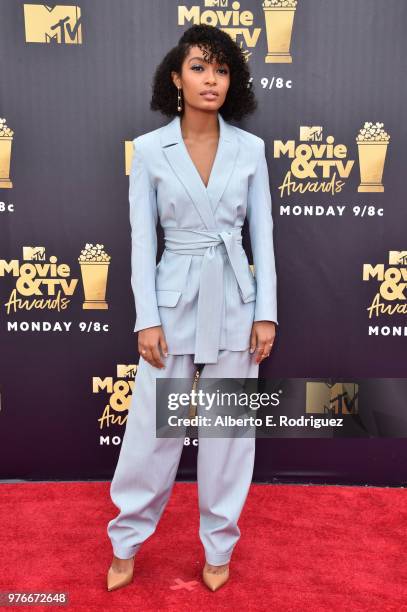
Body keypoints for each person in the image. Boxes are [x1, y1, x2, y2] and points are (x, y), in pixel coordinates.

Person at [106, 24, 278, 593]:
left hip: (234, 297)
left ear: (235, 81)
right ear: (176, 77)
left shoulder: (250, 150)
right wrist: (146, 317)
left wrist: (266, 312)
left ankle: (219, 544)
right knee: (153, 433)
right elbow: (141, 241)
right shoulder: (151, 149)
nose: (211, 79)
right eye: (200, 67)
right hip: (173, 301)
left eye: (222, 69)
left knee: (228, 436)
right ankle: (126, 539)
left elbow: (264, 238)